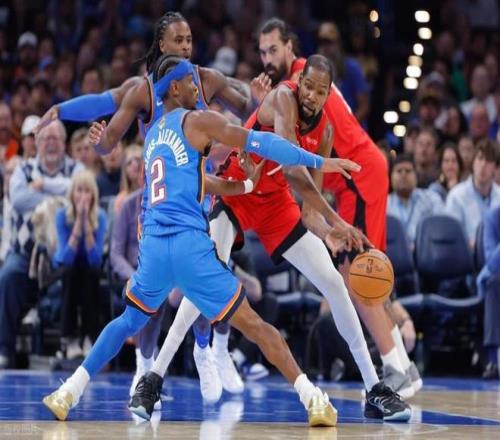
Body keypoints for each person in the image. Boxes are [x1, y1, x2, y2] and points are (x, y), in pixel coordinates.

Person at [42, 54, 368, 427]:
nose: (198, 88)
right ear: (174, 88)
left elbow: (198, 182)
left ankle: (68, 391)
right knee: (255, 325)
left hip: (154, 246)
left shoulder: (153, 137)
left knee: (127, 321)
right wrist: (320, 162)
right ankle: (313, 398)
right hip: (188, 246)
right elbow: (260, 141)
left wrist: (246, 186)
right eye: (190, 82)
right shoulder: (198, 120)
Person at [132, 54, 411, 421]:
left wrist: (330, 232)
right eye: (307, 86)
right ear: (299, 82)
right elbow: (293, 167)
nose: (311, 95)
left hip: (276, 205)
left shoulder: (326, 131)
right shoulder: (282, 98)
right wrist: (339, 220)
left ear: (329, 94)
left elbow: (309, 212)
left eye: (320, 91)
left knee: (334, 283)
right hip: (237, 190)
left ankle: (374, 388)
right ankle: (153, 379)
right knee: (201, 285)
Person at [36, 11, 271, 398]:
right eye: (178, 40)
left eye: (189, 40)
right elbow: (104, 113)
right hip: (158, 208)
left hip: (201, 197)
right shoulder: (143, 89)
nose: (186, 47)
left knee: (208, 285)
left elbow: (250, 110)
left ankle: (205, 350)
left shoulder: (204, 79)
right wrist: (64, 112)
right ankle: (144, 367)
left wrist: (260, 104)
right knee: (152, 303)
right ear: (161, 45)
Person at [257, 17, 420, 397]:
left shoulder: (301, 83)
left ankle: (394, 367)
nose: (267, 59)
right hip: (357, 176)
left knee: (357, 272)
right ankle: (404, 365)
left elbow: (289, 154)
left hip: (357, 177)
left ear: (290, 47)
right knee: (366, 275)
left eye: (273, 50)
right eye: (262, 52)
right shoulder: (299, 82)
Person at [0, 120, 83, 368]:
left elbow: (80, 191)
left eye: (55, 138)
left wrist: (43, 187)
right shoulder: (23, 169)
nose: (50, 143)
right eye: (45, 138)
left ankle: (71, 347)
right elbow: (19, 199)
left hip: (65, 254)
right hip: (26, 253)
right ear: (37, 143)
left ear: (64, 143)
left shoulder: (76, 167)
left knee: (80, 274)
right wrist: (60, 196)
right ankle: (4, 349)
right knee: (7, 276)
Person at [53, 170, 107, 359]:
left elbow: (96, 260)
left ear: (93, 195)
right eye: (79, 190)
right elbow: (65, 258)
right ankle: (69, 339)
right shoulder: (61, 215)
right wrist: (78, 224)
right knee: (71, 272)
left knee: (91, 273)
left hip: (89, 271)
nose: (83, 196)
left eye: (87, 191)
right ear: (72, 193)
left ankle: (89, 337)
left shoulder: (100, 217)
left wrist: (87, 225)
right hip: (66, 269)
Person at [446, 138, 500, 249]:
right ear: (473, 162)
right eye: (480, 158)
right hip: (464, 255)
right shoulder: (456, 196)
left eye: (489, 161)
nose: (483, 165)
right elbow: (451, 236)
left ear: (495, 168)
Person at [387, 154, 445, 248]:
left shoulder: (431, 199)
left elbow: (443, 227)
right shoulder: (385, 204)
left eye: (408, 171)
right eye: (399, 171)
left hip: (427, 252)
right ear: (391, 177)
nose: (403, 175)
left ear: (416, 176)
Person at [476, 204, 500, 379]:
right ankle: (492, 360)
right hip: (496, 275)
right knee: (493, 283)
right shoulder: (492, 216)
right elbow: (491, 260)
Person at [113, 145, 143, 214]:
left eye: (138, 160)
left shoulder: (153, 192)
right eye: (129, 163)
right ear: (125, 171)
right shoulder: (121, 200)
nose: (135, 164)